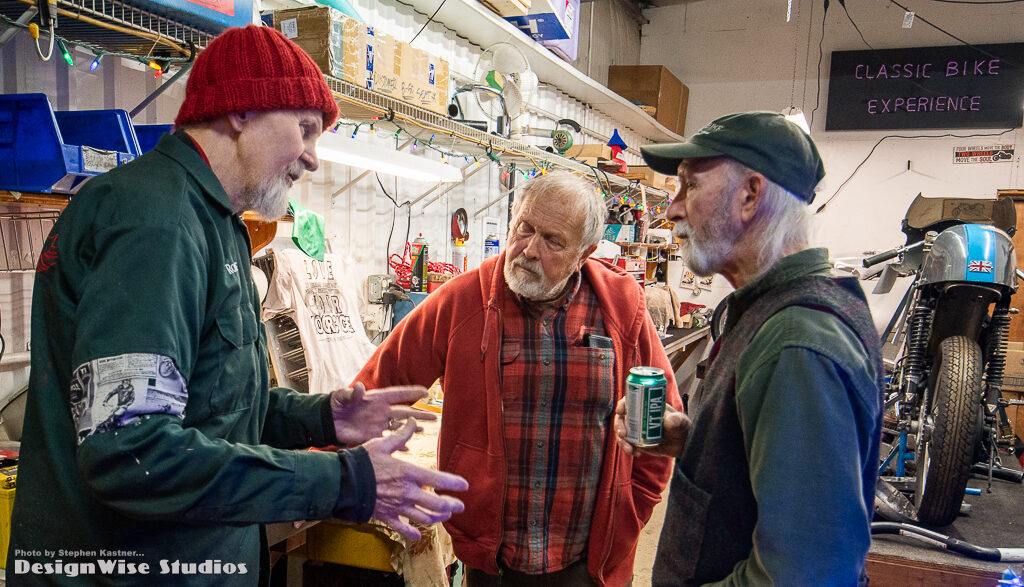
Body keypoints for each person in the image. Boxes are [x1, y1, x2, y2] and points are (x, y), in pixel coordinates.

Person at [8, 24, 467, 585]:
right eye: (304, 129)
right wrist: (344, 482)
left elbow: (212, 406)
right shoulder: (157, 221)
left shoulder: (219, 222)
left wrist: (323, 417)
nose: (314, 157)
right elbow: (129, 453)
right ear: (241, 111)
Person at [353, 171, 682, 586]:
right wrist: (318, 466)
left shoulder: (620, 307)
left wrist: (630, 514)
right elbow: (377, 388)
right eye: (524, 228)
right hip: (493, 561)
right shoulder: (463, 301)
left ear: (586, 252)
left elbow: (659, 423)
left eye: (552, 241)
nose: (528, 249)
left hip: (590, 562)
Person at [616, 111, 883, 585]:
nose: (672, 210)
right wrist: (695, 440)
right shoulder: (773, 311)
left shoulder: (797, 345)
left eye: (689, 186)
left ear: (750, 195)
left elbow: (806, 575)